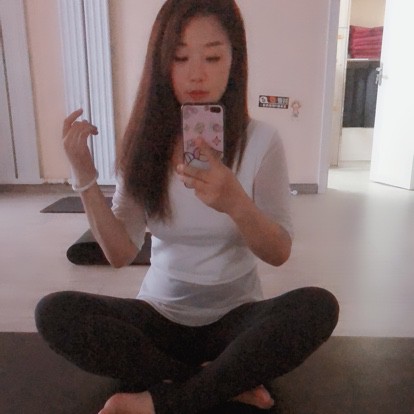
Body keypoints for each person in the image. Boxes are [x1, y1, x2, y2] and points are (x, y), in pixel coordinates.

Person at [35, 1, 339, 413]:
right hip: (160, 315)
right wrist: (85, 178)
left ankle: (166, 396)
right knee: (55, 313)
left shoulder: (262, 142)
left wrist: (235, 202)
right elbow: (120, 253)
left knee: (317, 307)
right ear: (162, 64)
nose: (197, 73)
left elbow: (279, 251)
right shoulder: (144, 145)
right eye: (180, 58)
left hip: (236, 320)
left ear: (234, 61)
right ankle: (221, 382)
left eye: (212, 57)